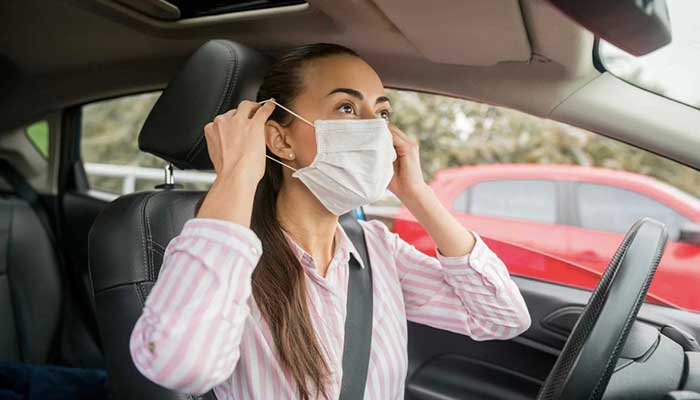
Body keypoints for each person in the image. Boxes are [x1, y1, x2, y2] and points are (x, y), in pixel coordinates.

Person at [129, 43, 531, 400]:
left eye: (382, 113)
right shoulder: (227, 257)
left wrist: (417, 194)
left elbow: (502, 316)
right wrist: (237, 175)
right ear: (280, 140)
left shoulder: (377, 250)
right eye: (347, 108)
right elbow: (181, 366)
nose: (375, 129)